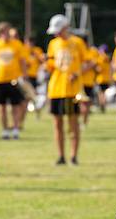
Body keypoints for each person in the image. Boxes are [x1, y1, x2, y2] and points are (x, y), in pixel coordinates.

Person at [46, 14, 90, 165]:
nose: (57, 34)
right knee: (57, 124)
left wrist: (77, 73)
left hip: (72, 90)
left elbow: (88, 63)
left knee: (73, 124)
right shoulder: (53, 44)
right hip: (56, 89)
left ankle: (73, 155)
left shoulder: (77, 42)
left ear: (66, 27)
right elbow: (51, 63)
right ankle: (61, 156)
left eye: (59, 30)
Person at [0, 23, 27, 139]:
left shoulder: (16, 44)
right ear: (0, 33)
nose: (6, 34)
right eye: (4, 32)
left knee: (15, 106)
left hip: (13, 79)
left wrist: (24, 75)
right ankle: (4, 130)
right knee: (2, 107)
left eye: (7, 31)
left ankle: (15, 129)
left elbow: (22, 61)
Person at [93, 44, 112, 113]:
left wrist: (94, 68)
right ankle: (104, 105)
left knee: (101, 93)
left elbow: (99, 69)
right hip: (107, 78)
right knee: (104, 93)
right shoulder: (107, 58)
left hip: (100, 79)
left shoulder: (100, 58)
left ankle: (102, 106)